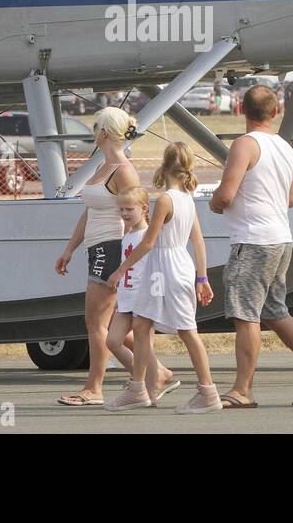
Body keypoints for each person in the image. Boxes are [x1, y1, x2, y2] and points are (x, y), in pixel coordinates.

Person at [210, 84, 293, 408]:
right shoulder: (284, 146)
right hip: (281, 238)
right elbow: (291, 199)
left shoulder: (245, 145)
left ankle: (243, 389)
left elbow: (225, 196)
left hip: (253, 241)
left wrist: (214, 202)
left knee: (246, 316)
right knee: (275, 312)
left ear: (241, 109)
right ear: (275, 111)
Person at [106, 145, 221, 414]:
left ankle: (208, 391)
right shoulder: (187, 198)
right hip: (175, 265)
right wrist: (202, 276)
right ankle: (138, 389)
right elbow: (198, 240)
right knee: (142, 324)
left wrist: (120, 269)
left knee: (187, 331)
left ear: (164, 165)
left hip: (165, 268)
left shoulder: (167, 200)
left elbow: (148, 242)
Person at [53, 106, 141, 406]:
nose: (93, 132)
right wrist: (70, 248)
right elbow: (90, 211)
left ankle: (94, 387)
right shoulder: (101, 166)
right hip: (96, 248)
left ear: (103, 132)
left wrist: (127, 262)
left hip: (111, 248)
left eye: (95, 127)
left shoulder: (123, 171)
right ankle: (154, 373)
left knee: (95, 322)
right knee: (107, 324)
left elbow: (138, 215)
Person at [104, 186, 178, 401]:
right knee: (113, 341)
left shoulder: (148, 236)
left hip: (143, 296)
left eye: (129, 209)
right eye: (121, 210)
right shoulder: (128, 235)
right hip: (126, 297)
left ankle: (146, 383)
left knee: (142, 340)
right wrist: (119, 296)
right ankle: (155, 373)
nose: (125, 214)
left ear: (144, 208)